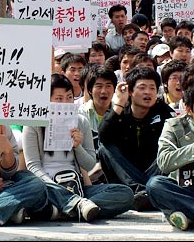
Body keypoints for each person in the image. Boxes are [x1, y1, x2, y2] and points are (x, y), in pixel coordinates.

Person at [23, 74, 133, 222]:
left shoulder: (81, 121)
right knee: (32, 189)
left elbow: (89, 164)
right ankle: (75, 207)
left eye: (69, 97)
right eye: (59, 99)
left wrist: (77, 147)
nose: (65, 103)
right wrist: (55, 188)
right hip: (47, 187)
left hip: (76, 187)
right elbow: (32, 166)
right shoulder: (33, 124)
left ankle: (62, 211)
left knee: (124, 193)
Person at [146, 74, 194, 232]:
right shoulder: (174, 126)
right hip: (186, 190)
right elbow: (164, 163)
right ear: (189, 109)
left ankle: (192, 215)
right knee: (155, 185)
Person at [97, 66, 177, 211]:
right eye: (142, 87)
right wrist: (119, 103)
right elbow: (103, 135)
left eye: (152, 88)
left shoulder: (162, 110)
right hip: (127, 172)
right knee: (105, 148)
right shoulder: (120, 111)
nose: (148, 92)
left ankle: (144, 194)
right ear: (131, 91)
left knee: (169, 149)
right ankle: (144, 193)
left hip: (153, 171)